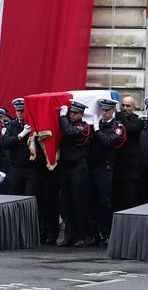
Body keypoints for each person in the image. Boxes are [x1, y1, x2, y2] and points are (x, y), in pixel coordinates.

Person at [86, 99, 126, 245]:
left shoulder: (117, 126)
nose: (104, 112)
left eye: (107, 110)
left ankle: (107, 233)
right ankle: (93, 233)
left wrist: (96, 129)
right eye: (103, 110)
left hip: (106, 168)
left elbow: (108, 141)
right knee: (90, 201)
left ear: (112, 111)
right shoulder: (97, 125)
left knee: (104, 202)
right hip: (92, 167)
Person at [58, 100, 91, 247]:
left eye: (75, 113)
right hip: (65, 168)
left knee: (79, 202)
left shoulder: (84, 127)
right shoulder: (66, 124)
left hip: (78, 167)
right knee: (66, 203)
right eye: (70, 112)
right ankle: (69, 235)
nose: (72, 115)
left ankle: (81, 236)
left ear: (81, 114)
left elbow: (70, 133)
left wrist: (62, 117)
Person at [111, 96, 142, 211]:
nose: (124, 108)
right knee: (116, 202)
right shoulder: (116, 121)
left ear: (134, 107)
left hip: (131, 170)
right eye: (123, 105)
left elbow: (130, 129)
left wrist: (119, 113)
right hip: (117, 168)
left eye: (128, 106)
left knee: (130, 201)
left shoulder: (138, 122)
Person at [2, 98, 37, 196]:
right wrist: (20, 135)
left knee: (30, 197)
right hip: (16, 167)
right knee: (15, 196)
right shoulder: (11, 126)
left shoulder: (34, 124)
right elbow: (5, 143)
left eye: (22, 111)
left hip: (31, 168)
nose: (19, 113)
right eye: (18, 111)